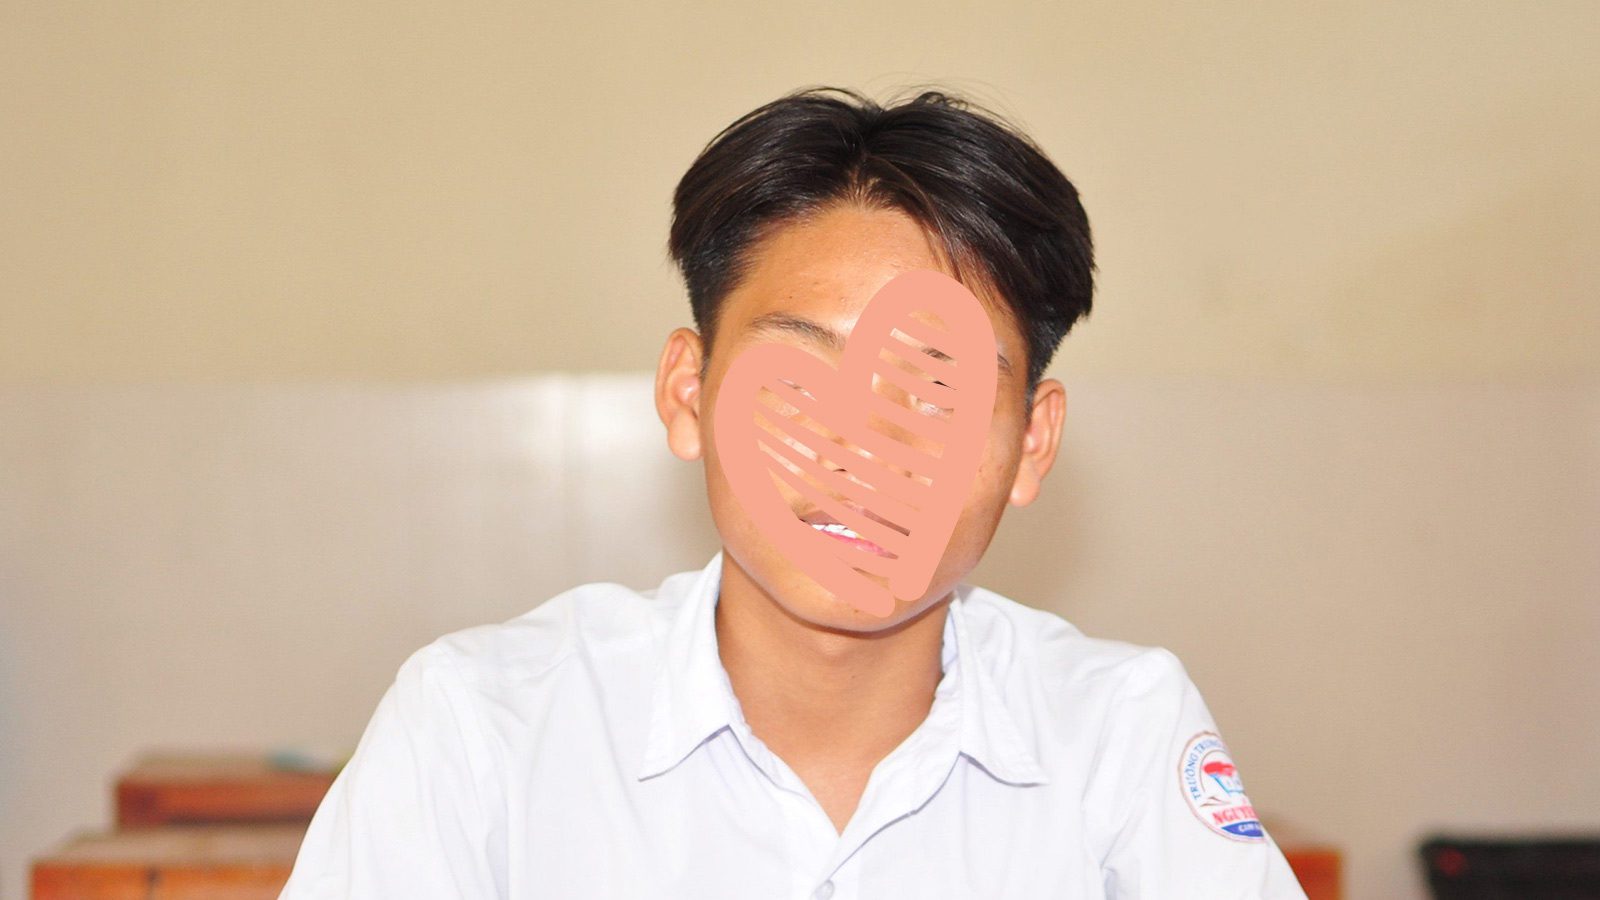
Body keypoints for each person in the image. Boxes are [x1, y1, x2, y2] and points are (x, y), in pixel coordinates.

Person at [279, 85, 1306, 899]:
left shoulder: (1119, 735)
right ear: (688, 394)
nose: (860, 449)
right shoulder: (483, 728)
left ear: (1031, 446)